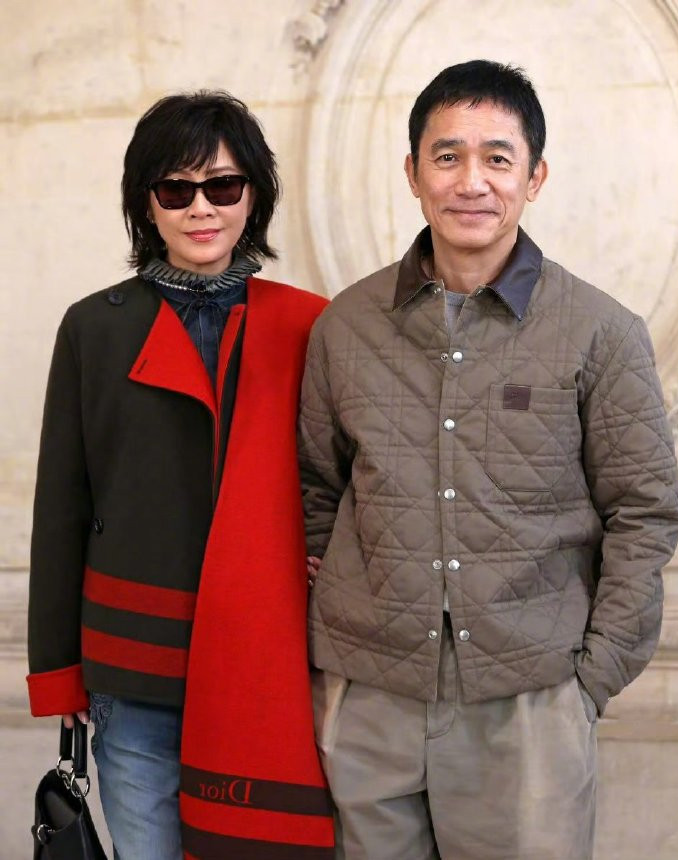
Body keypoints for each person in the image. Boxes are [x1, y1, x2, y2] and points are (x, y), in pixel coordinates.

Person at [299, 60, 678, 860]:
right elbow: (317, 489)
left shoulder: (600, 331)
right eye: (447, 156)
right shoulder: (346, 327)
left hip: (532, 704)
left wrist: (591, 679)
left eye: (497, 158)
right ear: (413, 174)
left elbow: (645, 510)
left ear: (534, 177)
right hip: (369, 700)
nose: (471, 181)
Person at [27, 91, 334, 860]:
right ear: (147, 204)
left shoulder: (308, 323)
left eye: (223, 186)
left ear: (253, 196)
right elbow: (62, 506)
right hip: (133, 666)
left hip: (266, 659)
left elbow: (342, 486)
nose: (202, 208)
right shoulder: (94, 326)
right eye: (176, 189)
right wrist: (59, 675)